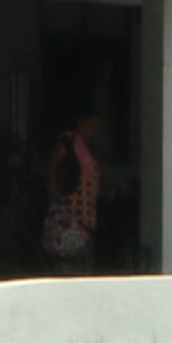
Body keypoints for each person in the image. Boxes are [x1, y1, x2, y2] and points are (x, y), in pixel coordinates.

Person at [42, 114, 103, 270]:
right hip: (69, 211)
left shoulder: (87, 147)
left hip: (86, 216)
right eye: (91, 125)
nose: (94, 130)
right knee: (66, 261)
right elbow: (53, 166)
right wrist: (53, 191)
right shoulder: (68, 143)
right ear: (79, 123)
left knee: (82, 261)